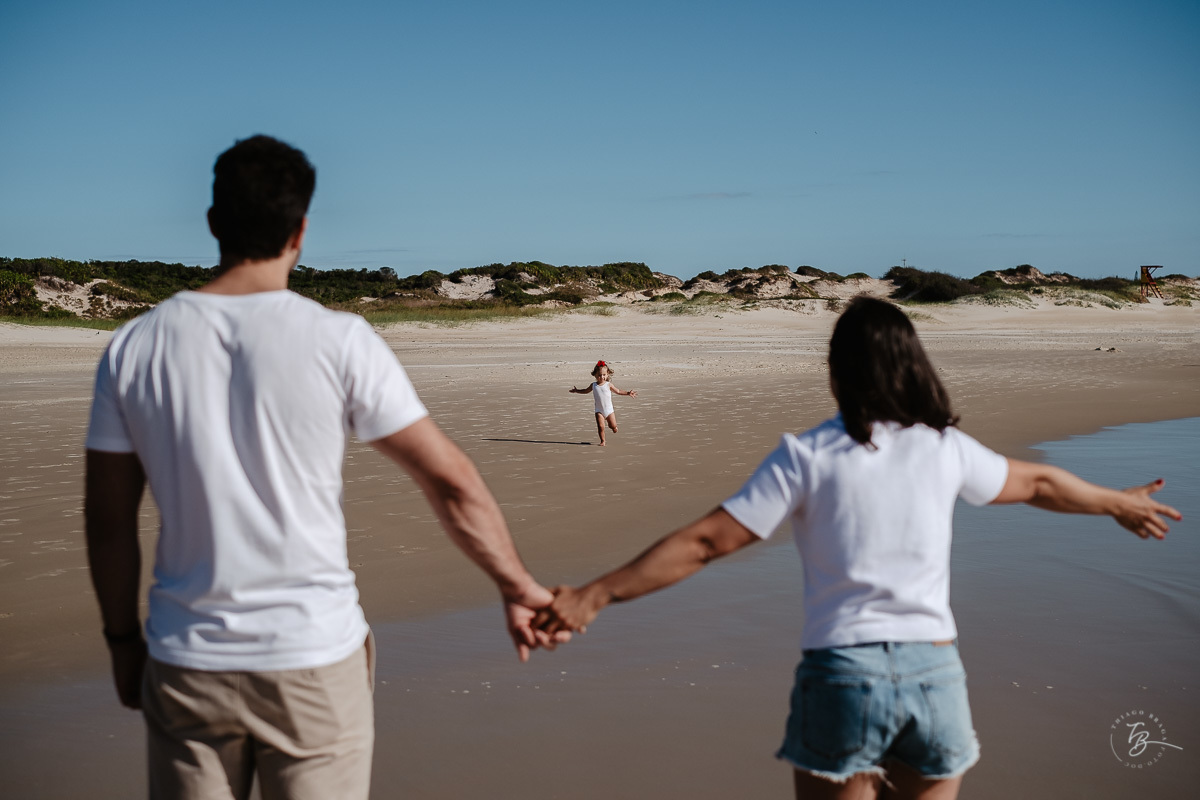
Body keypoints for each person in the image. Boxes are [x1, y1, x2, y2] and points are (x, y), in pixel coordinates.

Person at [537, 296, 1180, 800]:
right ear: (913, 365)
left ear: (836, 372)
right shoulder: (943, 447)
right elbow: (1039, 482)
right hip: (936, 678)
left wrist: (593, 595)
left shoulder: (808, 455)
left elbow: (706, 542)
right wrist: (1116, 502)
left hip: (843, 677)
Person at [83, 134, 565, 800]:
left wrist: (120, 640)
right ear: (301, 230)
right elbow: (449, 481)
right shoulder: (338, 339)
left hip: (187, 659)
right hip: (311, 657)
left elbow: (107, 518)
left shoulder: (135, 346)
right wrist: (515, 585)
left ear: (214, 221)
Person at [568, 359, 637, 446]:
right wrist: (577, 390)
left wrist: (628, 393)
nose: (602, 377)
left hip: (609, 411)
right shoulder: (593, 385)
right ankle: (603, 441)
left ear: (607, 374)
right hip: (599, 410)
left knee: (612, 425)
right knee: (601, 427)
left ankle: (614, 427)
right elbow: (586, 391)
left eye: (604, 375)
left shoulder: (608, 384)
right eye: (599, 375)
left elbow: (618, 391)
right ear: (595, 375)